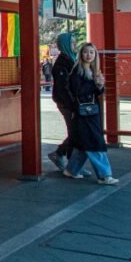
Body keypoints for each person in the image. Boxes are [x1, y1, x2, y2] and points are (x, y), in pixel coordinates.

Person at [63, 42, 119, 185]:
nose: (88, 55)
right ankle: (104, 175)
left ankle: (71, 169)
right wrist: (94, 84)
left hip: (92, 112)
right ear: (81, 54)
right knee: (95, 142)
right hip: (82, 113)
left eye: (91, 52)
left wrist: (100, 86)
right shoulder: (77, 71)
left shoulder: (95, 71)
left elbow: (96, 92)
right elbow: (77, 91)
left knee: (83, 144)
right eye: (86, 52)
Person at [46, 33, 78, 172]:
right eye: (72, 43)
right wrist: (73, 103)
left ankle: (73, 163)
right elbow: (63, 88)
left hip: (73, 102)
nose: (75, 45)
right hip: (67, 103)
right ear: (65, 44)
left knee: (76, 131)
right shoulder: (62, 64)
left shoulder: (72, 59)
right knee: (75, 132)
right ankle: (65, 158)